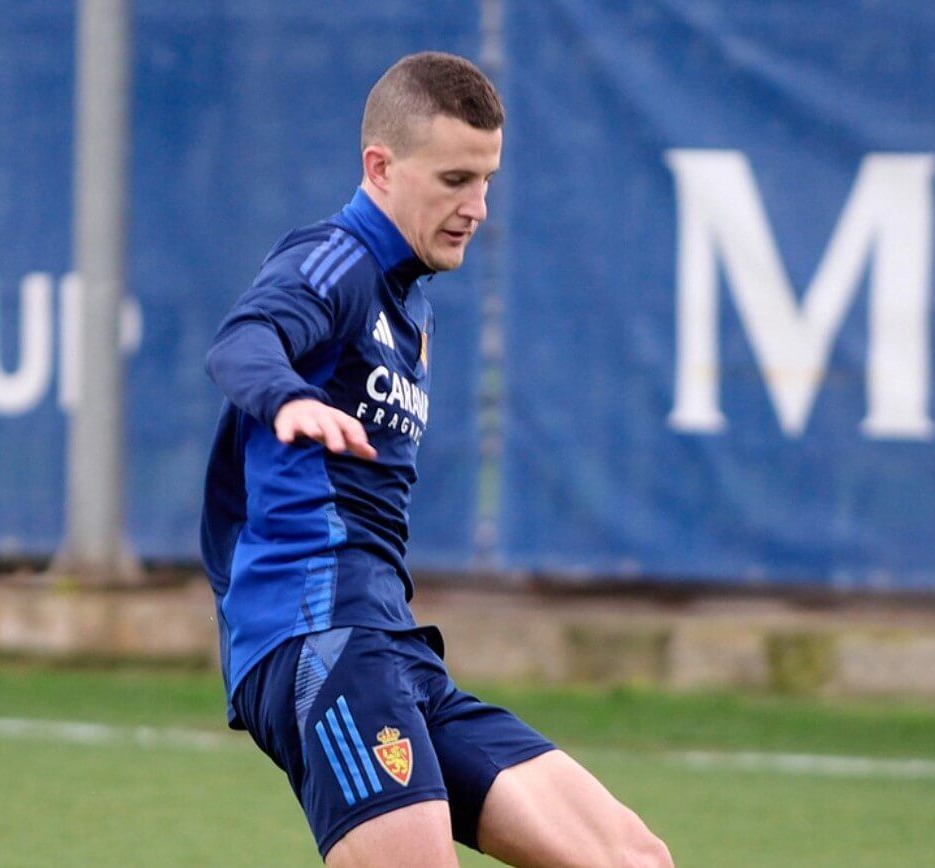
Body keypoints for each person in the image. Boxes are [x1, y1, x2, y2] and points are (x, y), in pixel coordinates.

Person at [201, 51, 672, 868]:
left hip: (391, 644)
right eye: (454, 179)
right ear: (379, 167)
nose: (477, 207)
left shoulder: (409, 302)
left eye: (487, 181)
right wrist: (290, 398)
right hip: (318, 640)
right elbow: (244, 341)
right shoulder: (337, 261)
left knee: (632, 858)